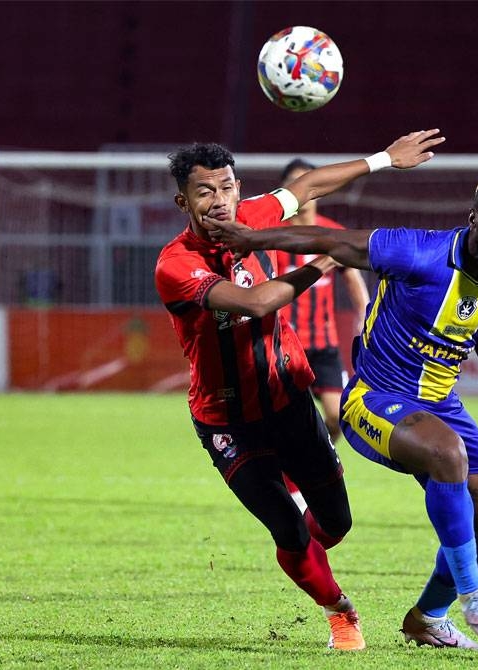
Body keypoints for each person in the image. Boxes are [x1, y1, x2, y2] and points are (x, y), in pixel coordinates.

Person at [209, 175, 478, 650]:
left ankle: (427, 617)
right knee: (447, 453)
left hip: (442, 404)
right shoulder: (417, 251)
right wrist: (252, 238)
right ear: (474, 218)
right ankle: (472, 594)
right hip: (375, 399)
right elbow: (331, 241)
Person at [154, 130, 443, 651]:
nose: (218, 201)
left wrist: (383, 158)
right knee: (287, 529)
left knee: (336, 521)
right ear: (184, 201)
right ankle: (339, 610)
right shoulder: (175, 265)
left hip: (289, 401)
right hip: (227, 421)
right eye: (204, 192)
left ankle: (307, 562)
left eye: (225, 188)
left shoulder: (256, 216)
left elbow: (308, 185)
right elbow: (259, 303)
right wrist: (325, 261)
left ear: (239, 188)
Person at [276, 158, 370, 445]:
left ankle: (316, 461)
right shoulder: (274, 235)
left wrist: (366, 314)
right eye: (296, 182)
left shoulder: (332, 233)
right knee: (287, 419)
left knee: (337, 417)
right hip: (285, 347)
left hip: (324, 345)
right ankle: (295, 477)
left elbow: (352, 276)